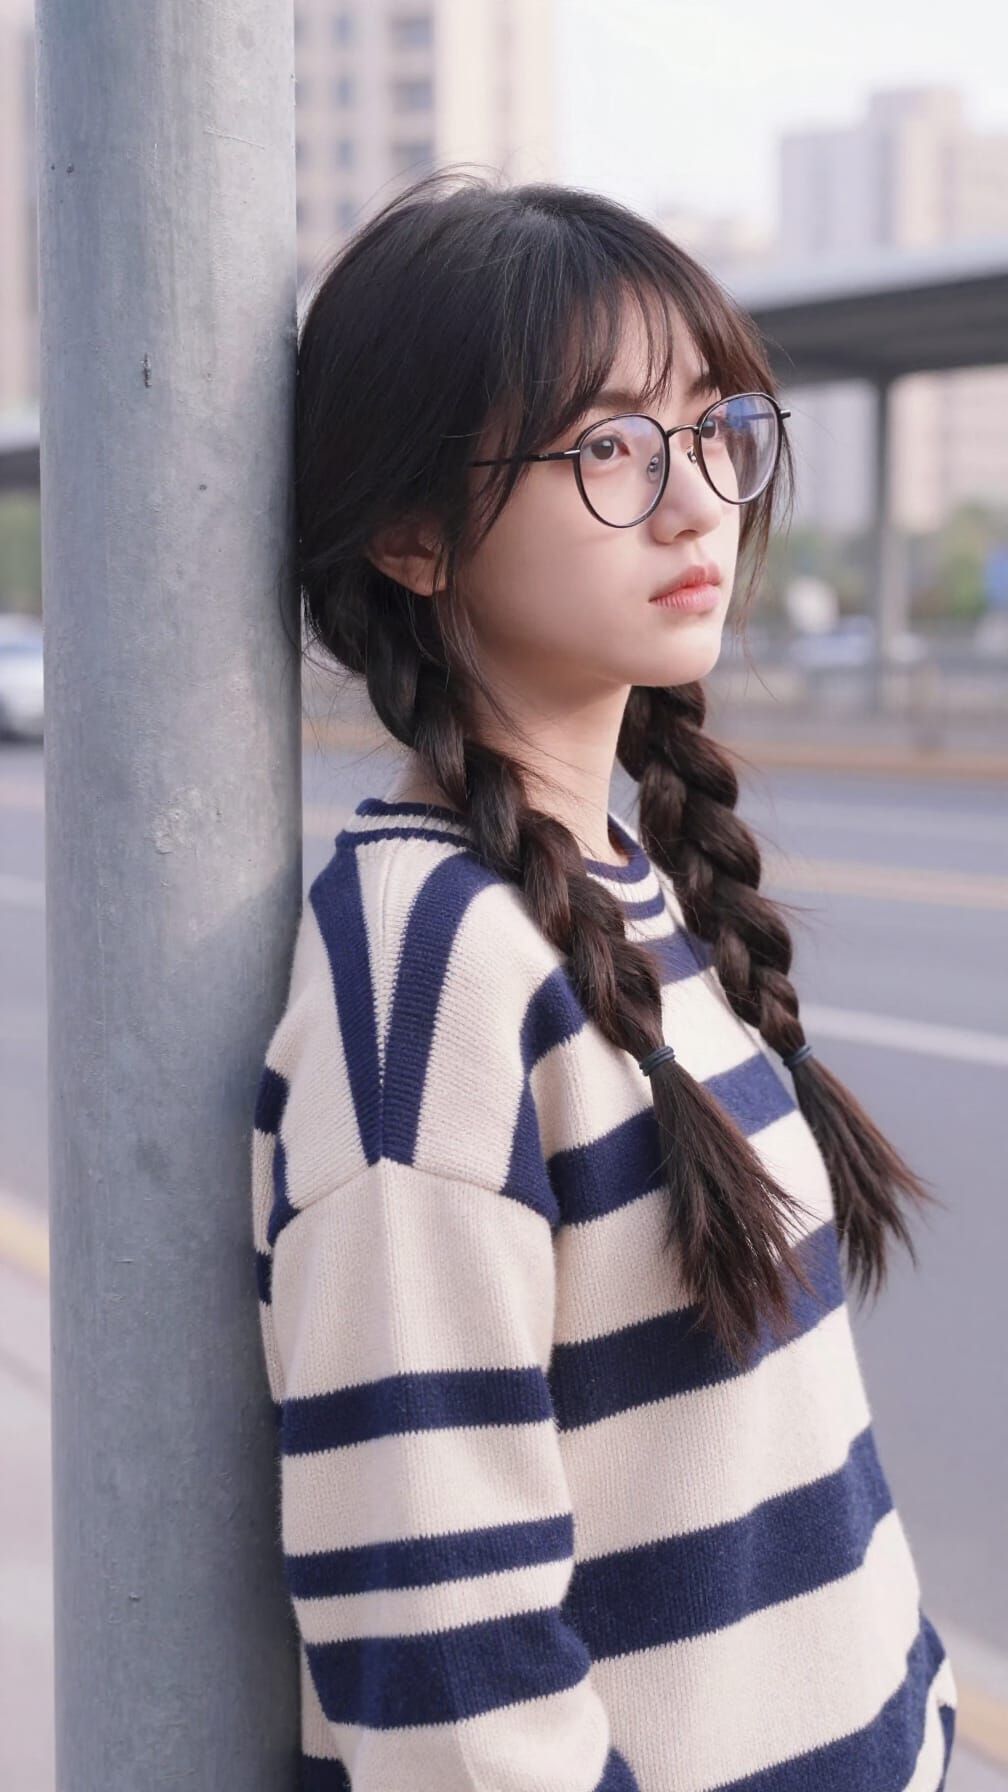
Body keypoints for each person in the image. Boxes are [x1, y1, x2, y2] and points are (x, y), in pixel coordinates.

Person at [250, 169, 957, 1791]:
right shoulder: (426, 972)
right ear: (416, 536)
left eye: (712, 428)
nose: (700, 497)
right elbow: (447, 1682)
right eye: (609, 449)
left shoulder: (624, 887)